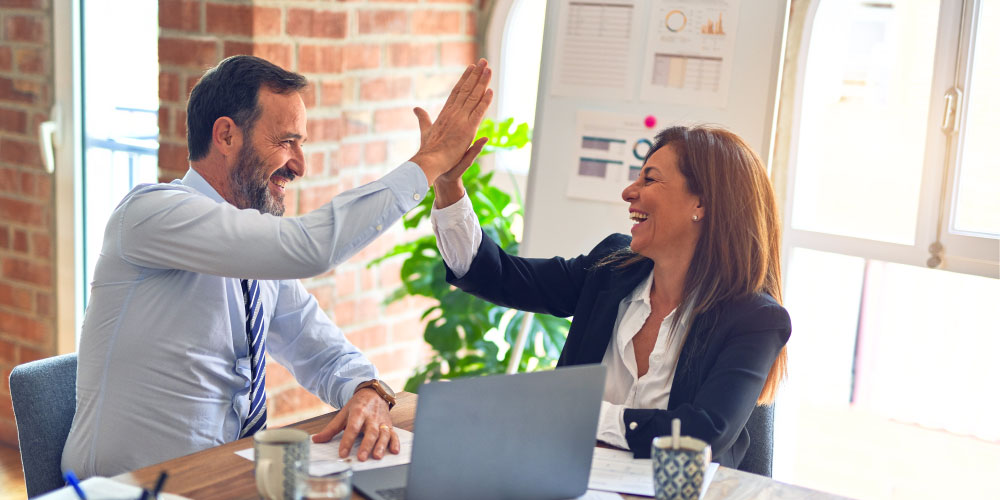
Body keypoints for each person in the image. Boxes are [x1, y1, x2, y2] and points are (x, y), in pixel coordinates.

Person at [62, 55, 493, 478]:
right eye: (287, 141)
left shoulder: (255, 255)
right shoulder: (151, 214)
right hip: (126, 490)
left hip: (222, 478)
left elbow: (320, 349)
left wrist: (367, 390)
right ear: (226, 136)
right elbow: (310, 248)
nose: (299, 165)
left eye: (300, 144)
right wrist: (430, 162)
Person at [431, 125, 790, 467]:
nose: (629, 192)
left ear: (701, 203)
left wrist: (580, 413)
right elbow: (500, 276)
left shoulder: (755, 319)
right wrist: (449, 187)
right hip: (569, 480)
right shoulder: (611, 269)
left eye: (649, 179)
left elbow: (702, 435)